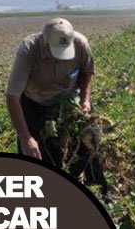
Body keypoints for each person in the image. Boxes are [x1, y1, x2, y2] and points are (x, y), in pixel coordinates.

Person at [6, 18, 107, 193]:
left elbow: (87, 72)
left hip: (69, 101)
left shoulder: (80, 44)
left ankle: (99, 190)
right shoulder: (28, 50)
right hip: (35, 102)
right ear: (44, 42)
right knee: (35, 155)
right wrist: (26, 138)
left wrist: (85, 100)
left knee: (90, 145)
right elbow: (12, 96)